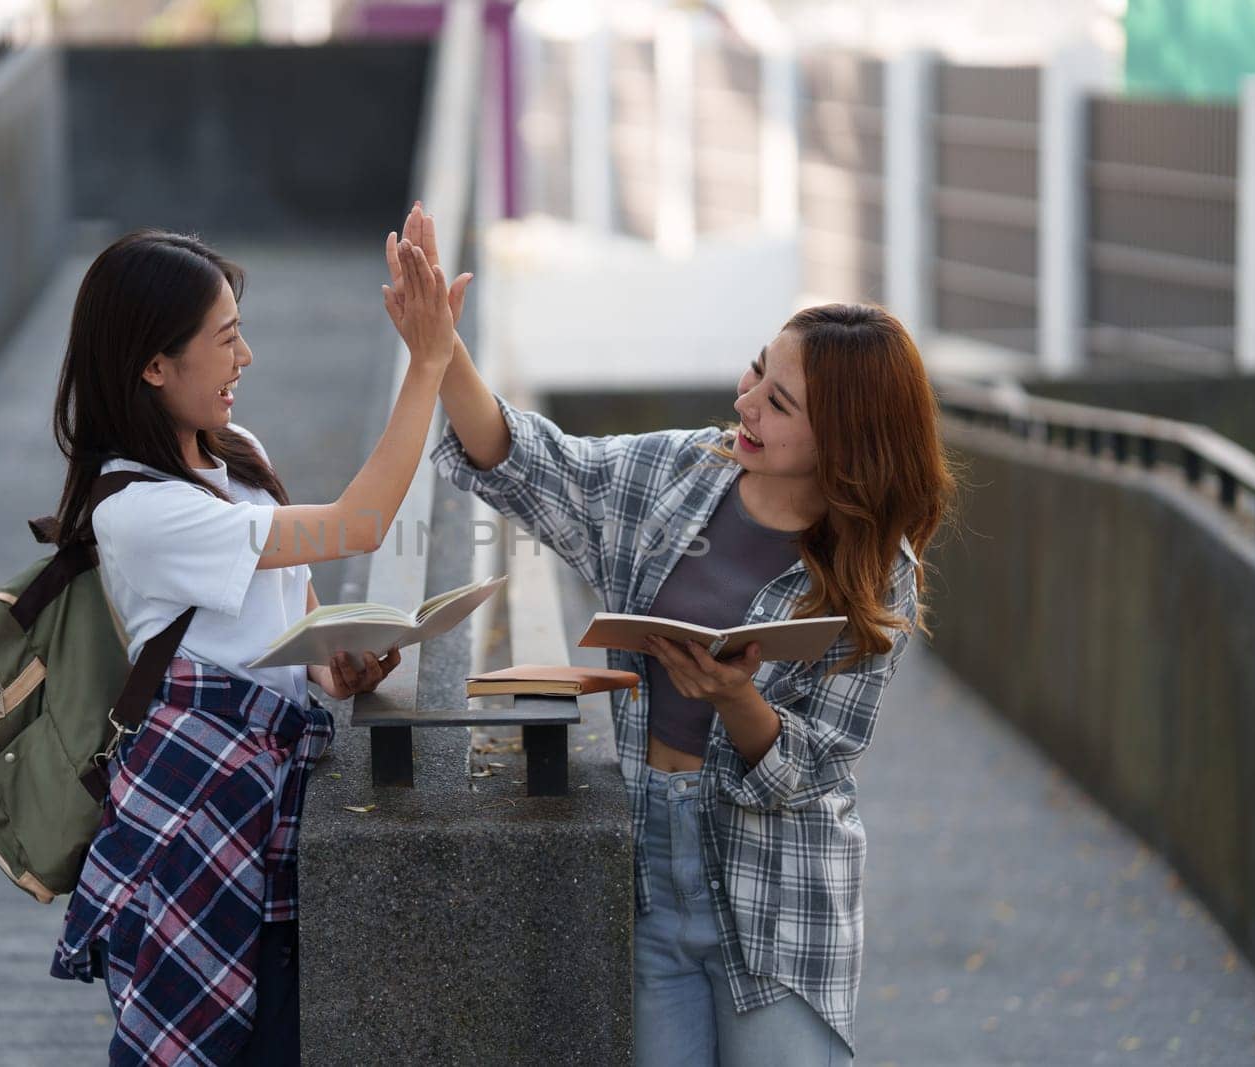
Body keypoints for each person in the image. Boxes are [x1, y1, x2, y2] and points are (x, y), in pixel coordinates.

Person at [397, 204, 957, 1065]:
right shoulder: (676, 470)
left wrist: (739, 702)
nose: (746, 406)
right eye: (753, 375)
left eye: (778, 403)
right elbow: (531, 462)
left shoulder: (879, 567)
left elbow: (816, 764)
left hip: (778, 895)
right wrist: (442, 352)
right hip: (650, 870)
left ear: (843, 439)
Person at [46, 228, 458, 1065]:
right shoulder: (137, 511)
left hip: (268, 804)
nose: (248, 357)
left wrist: (338, 665)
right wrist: (426, 367)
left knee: (273, 1039)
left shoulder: (241, 458)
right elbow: (359, 524)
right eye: (226, 339)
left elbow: (293, 628)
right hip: (196, 816)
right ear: (154, 365)